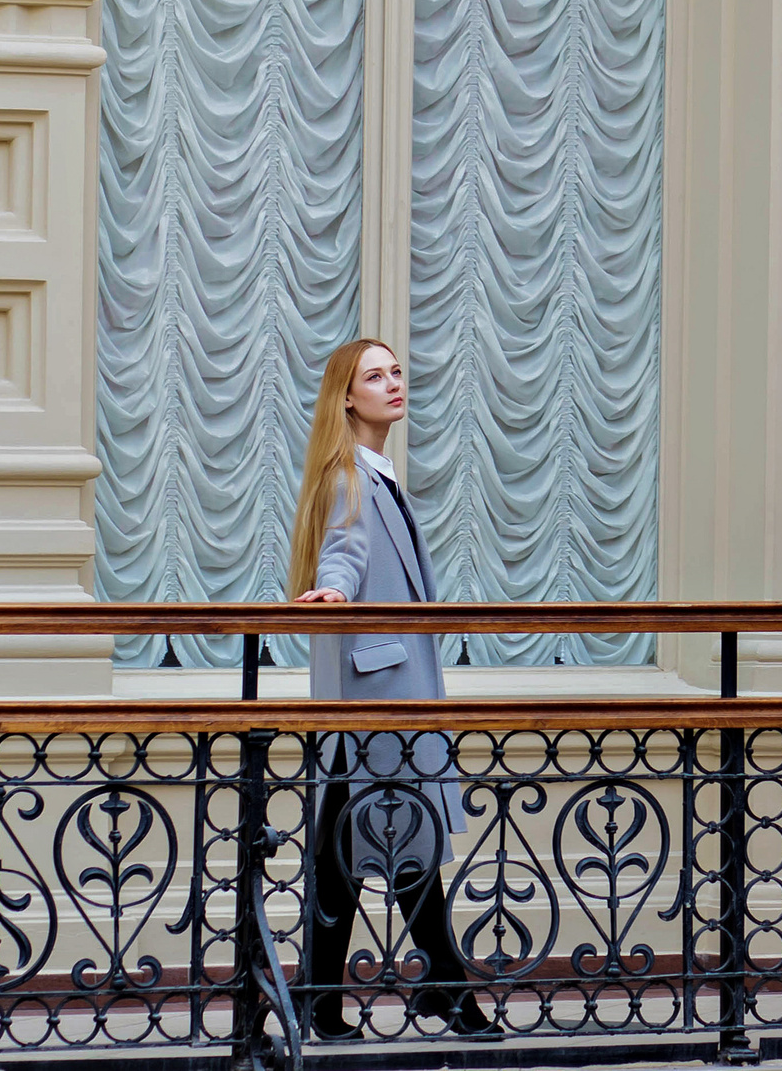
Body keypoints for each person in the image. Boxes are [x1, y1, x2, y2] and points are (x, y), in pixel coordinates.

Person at [287, 337, 497, 1041]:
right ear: (348, 396)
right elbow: (344, 550)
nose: (394, 382)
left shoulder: (373, 472)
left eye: (396, 371)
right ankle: (448, 992)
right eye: (375, 376)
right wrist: (336, 590)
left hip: (379, 694)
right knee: (400, 838)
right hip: (377, 696)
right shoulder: (352, 477)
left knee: (346, 852)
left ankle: (316, 999)